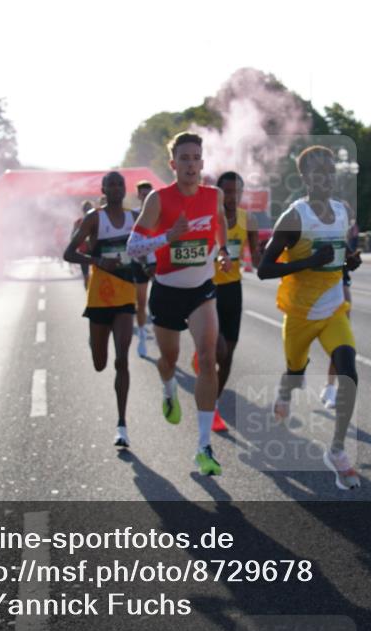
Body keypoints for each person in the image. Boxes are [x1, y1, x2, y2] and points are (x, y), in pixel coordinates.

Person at [257, 145, 363, 490]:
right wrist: (307, 262)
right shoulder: (293, 217)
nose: (327, 178)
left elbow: (340, 255)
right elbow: (264, 269)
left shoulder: (342, 211)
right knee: (295, 374)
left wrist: (349, 262)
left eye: (331, 171)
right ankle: (284, 396)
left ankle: (337, 448)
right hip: (300, 314)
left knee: (348, 368)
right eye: (319, 172)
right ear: (304, 177)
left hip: (333, 309)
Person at [126, 132, 230, 476]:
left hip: (201, 289)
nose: (190, 164)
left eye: (195, 157)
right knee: (168, 359)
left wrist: (224, 251)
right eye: (183, 158)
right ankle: (168, 389)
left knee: (208, 356)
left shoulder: (213, 196)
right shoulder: (159, 199)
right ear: (173, 164)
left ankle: (203, 447)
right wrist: (166, 238)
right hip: (168, 290)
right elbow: (133, 247)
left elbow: (221, 224)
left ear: (202, 162)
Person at [64, 173, 136, 448]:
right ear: (104, 190)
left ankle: (122, 425)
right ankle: (94, 341)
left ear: (124, 189)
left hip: (126, 298)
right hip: (99, 299)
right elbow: (68, 253)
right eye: (111, 184)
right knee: (100, 363)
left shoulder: (134, 218)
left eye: (120, 184)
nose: (116, 188)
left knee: (122, 360)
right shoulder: (94, 218)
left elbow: (146, 247)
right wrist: (98, 260)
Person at [192, 171, 258, 432]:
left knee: (228, 354)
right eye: (227, 192)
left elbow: (260, 259)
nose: (232, 197)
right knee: (217, 350)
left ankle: (214, 401)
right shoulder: (207, 219)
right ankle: (206, 370)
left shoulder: (248, 220)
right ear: (219, 193)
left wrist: (289, 258)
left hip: (233, 290)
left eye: (236, 192)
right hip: (208, 289)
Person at [320, 217, 359, 409]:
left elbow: (350, 260)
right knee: (300, 343)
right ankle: (296, 370)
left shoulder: (340, 241)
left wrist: (353, 260)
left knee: (341, 343)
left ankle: (330, 388)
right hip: (311, 293)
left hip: (340, 290)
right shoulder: (309, 234)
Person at [131, 180, 155, 358]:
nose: (146, 197)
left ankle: (163, 338)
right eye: (143, 194)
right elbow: (133, 243)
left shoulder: (160, 213)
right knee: (141, 302)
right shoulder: (134, 215)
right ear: (138, 195)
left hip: (159, 263)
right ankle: (141, 337)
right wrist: (145, 262)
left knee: (160, 303)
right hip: (140, 264)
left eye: (149, 194)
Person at [71, 201, 97, 288]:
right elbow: (73, 237)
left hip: (94, 251)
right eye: (86, 209)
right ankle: (88, 292)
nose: (87, 210)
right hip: (85, 251)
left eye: (89, 208)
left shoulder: (97, 220)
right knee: (87, 276)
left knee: (93, 276)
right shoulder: (78, 222)